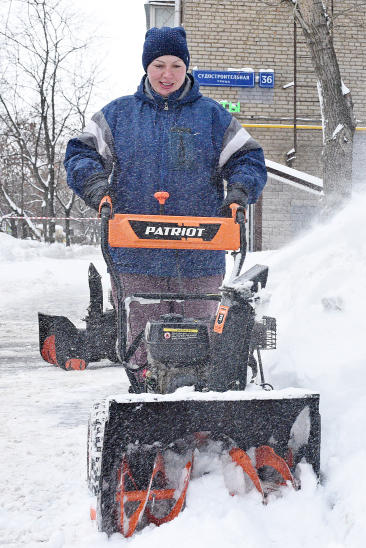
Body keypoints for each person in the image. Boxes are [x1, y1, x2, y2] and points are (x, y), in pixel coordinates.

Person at [65, 26, 267, 392]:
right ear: (147, 67)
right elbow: (80, 154)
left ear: (187, 67)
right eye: (159, 64)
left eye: (176, 64)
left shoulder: (212, 117)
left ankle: (202, 413)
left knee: (202, 340)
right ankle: (147, 400)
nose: (167, 74)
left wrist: (238, 193)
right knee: (143, 342)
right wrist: (98, 190)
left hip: (199, 255)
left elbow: (247, 158)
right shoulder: (119, 116)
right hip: (135, 256)